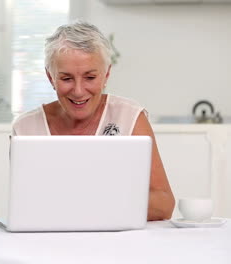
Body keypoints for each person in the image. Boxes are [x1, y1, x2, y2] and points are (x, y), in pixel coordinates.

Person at [12, 21, 175, 221]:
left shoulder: (130, 117)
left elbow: (163, 203)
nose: (79, 91)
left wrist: (80, 205)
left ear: (106, 74)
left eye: (90, 77)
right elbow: (25, 206)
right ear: (50, 77)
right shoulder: (26, 128)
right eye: (66, 79)